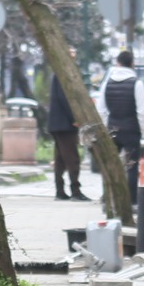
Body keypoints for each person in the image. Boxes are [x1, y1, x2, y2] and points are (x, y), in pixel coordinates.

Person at [102, 48, 144, 200]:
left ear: (118, 63)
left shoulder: (107, 83)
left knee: (110, 165)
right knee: (132, 166)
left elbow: (102, 109)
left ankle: (108, 197)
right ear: (132, 64)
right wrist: (142, 130)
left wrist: (106, 126)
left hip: (112, 128)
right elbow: (141, 111)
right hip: (131, 129)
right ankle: (132, 200)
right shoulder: (137, 84)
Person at [47, 73, 88, 202]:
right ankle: (75, 191)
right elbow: (65, 98)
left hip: (57, 123)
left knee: (60, 159)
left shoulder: (57, 74)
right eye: (71, 51)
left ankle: (60, 191)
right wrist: (74, 118)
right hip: (65, 124)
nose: (73, 53)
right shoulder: (63, 73)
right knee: (72, 159)